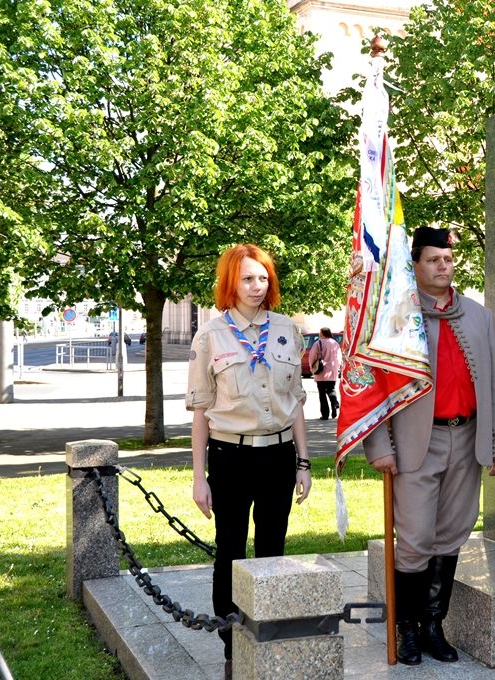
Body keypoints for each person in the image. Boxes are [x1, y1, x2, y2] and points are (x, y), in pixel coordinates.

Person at [363, 227, 495, 666]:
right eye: (433, 260)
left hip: (467, 439)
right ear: (416, 265)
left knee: (451, 535)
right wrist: (378, 446)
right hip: (413, 445)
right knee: (414, 540)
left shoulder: (479, 316)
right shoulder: (396, 317)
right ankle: (405, 628)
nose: (443, 266)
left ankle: (432, 625)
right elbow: (372, 385)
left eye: (447, 259)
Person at [185, 244, 311, 674]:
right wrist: (199, 477)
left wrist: (304, 463)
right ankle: (231, 639)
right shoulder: (210, 336)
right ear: (230, 283)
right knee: (231, 551)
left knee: (272, 549)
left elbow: (295, 403)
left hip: (278, 455)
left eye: (263, 278)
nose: (257, 287)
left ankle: (267, 631)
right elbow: (201, 411)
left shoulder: (287, 329)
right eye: (248, 279)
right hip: (229, 457)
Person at [308, 327, 342, 420]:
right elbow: (339, 357)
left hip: (321, 372)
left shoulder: (318, 343)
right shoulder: (335, 343)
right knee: (331, 389)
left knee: (322, 394)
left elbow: (312, 356)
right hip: (332, 371)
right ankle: (334, 402)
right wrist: (338, 367)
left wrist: (312, 368)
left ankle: (325, 414)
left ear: (322, 333)